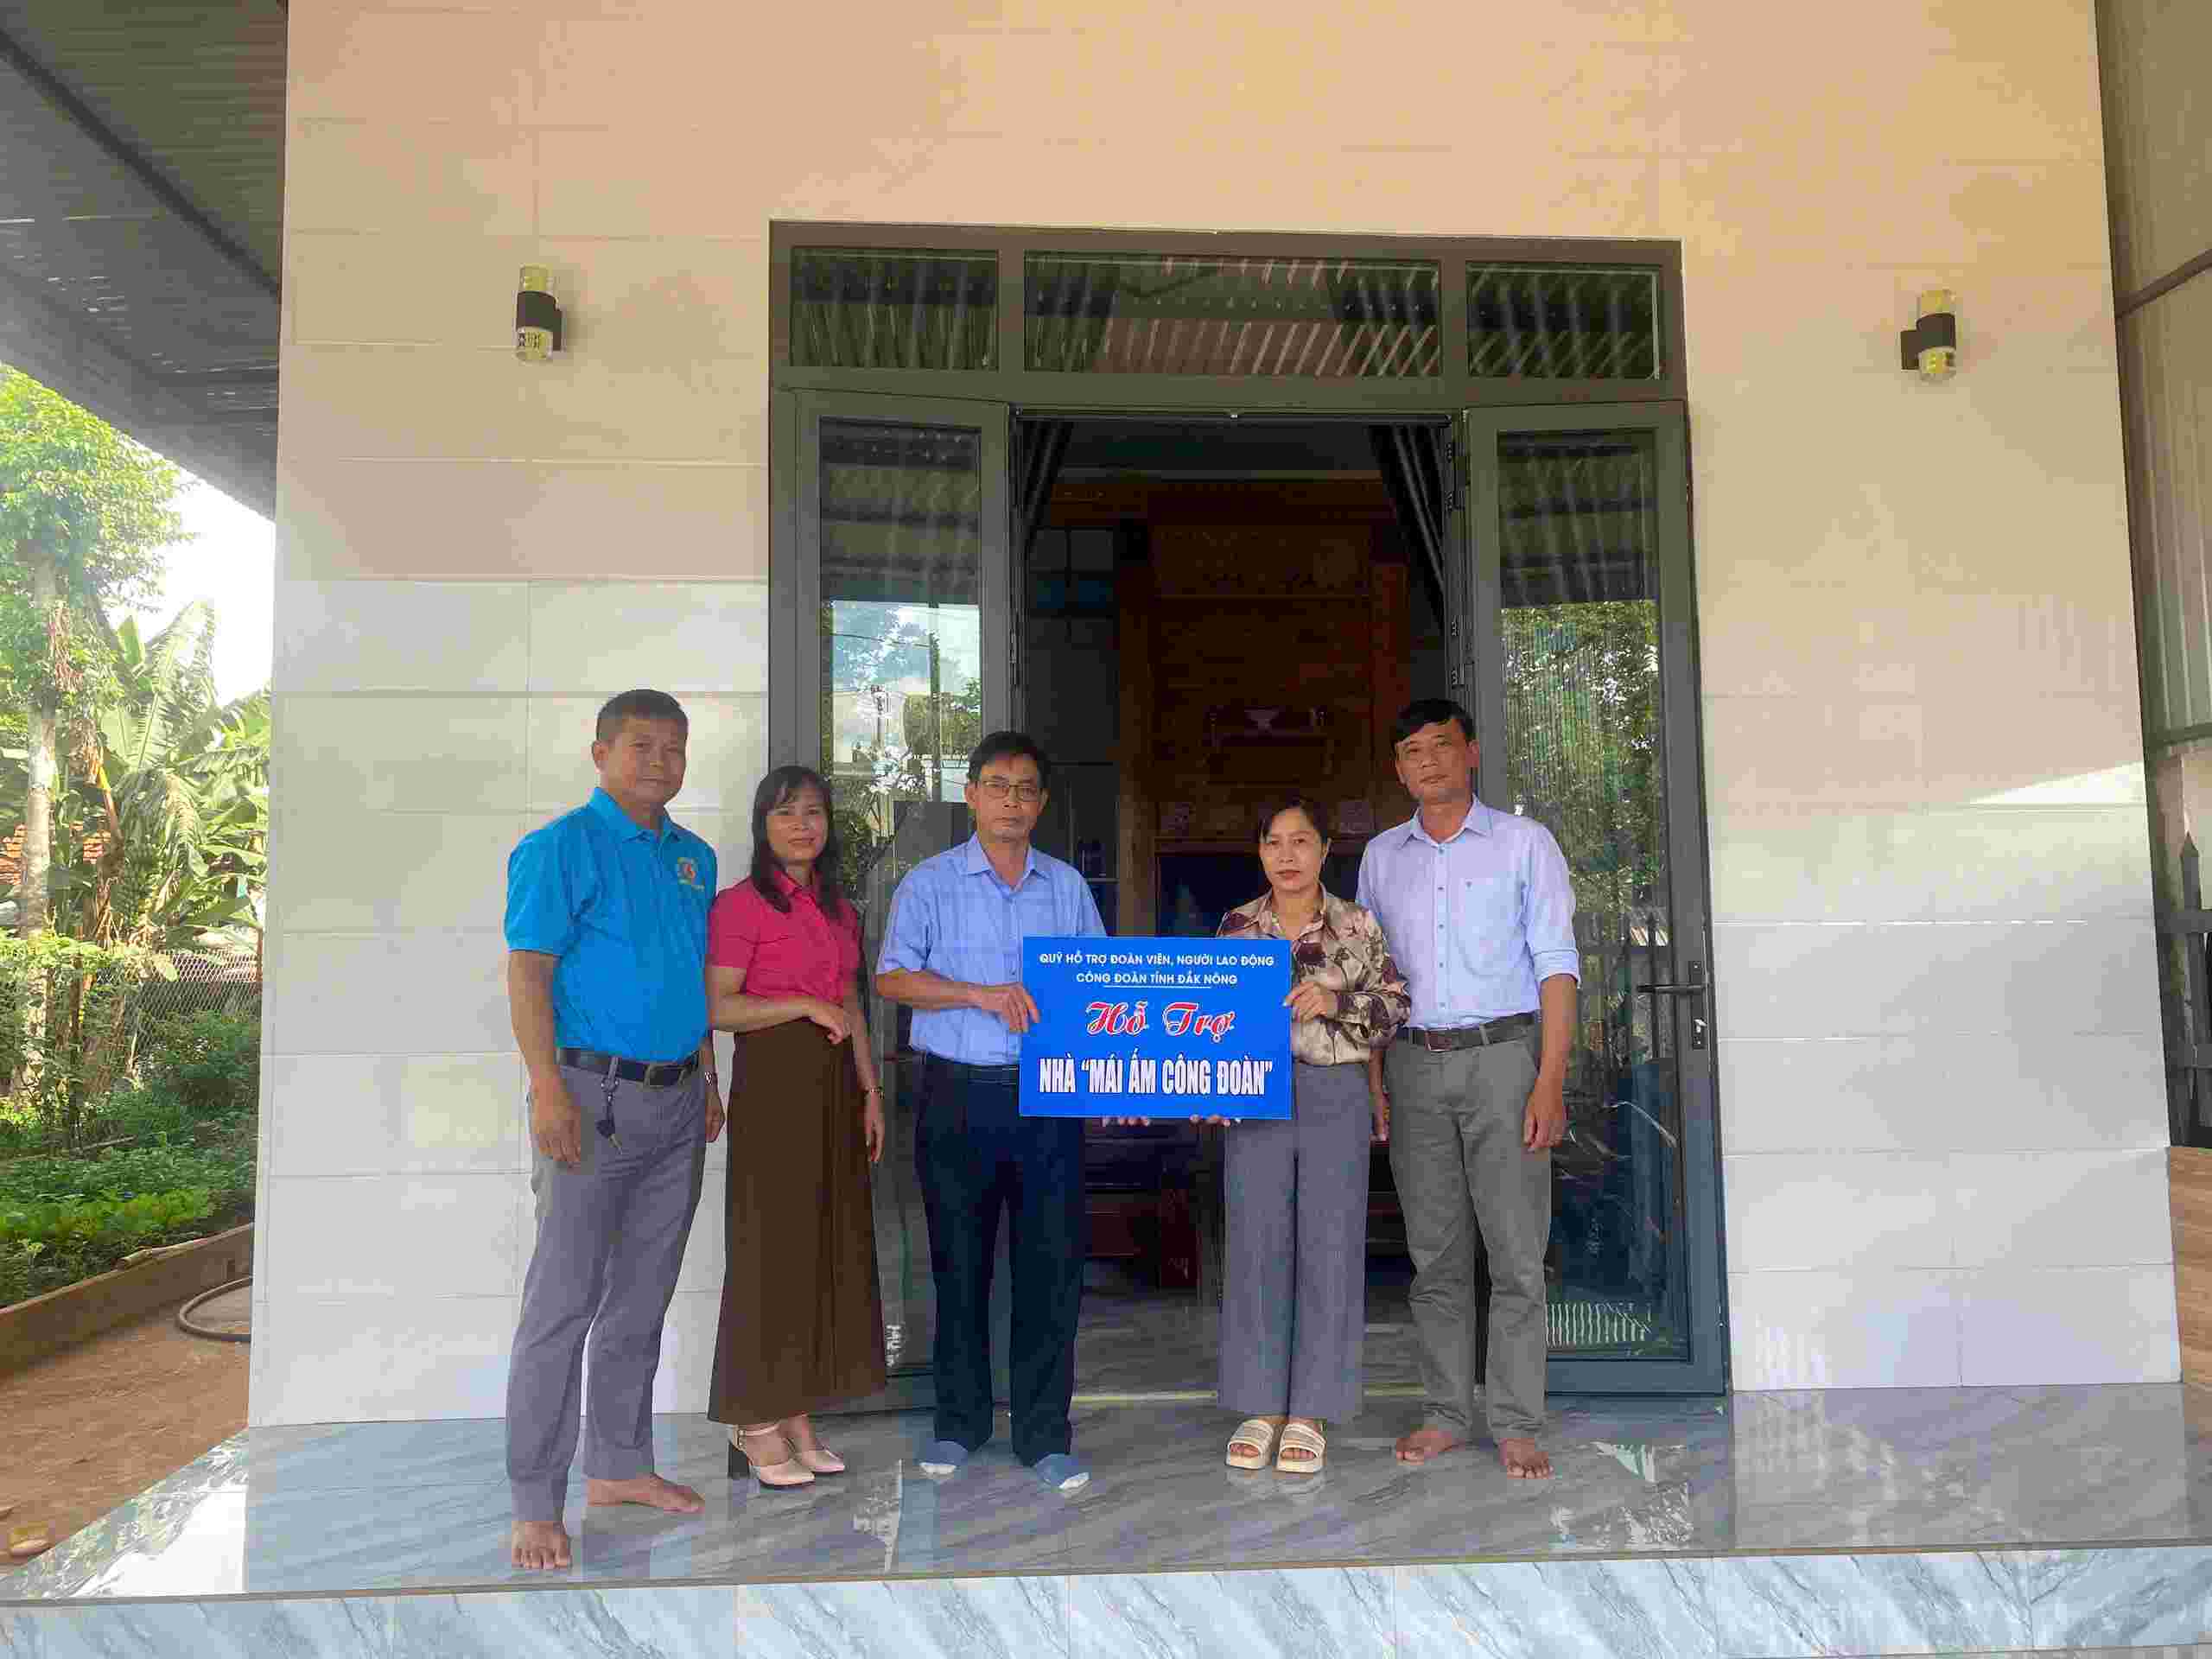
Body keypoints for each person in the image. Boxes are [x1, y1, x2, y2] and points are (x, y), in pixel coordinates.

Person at [502, 690, 724, 1571]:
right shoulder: (558, 848)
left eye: (674, 747)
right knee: (562, 1306)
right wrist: (545, 1090)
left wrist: (709, 1077)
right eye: (641, 746)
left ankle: (620, 1466)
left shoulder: (693, 859)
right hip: (589, 1100)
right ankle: (534, 1500)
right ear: (600, 753)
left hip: (677, 1103)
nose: (659, 762)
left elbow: (691, 980)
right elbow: (527, 977)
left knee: (640, 1298)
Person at [874, 732, 1106, 1492]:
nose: (1012, 800)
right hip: (957, 1094)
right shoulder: (931, 884)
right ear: (970, 794)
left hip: (1048, 1102)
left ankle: (1045, 1434)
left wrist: (1115, 1084)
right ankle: (959, 1424)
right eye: (997, 785)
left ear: (1041, 802)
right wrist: (978, 994)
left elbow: (1100, 987)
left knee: (1050, 1270)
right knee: (959, 1265)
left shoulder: (1067, 888)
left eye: (1026, 788)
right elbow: (893, 979)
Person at [1357, 697, 1579, 1481]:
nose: (1430, 762)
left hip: (1504, 1061)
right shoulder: (1382, 857)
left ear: (1471, 753)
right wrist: (1377, 1082)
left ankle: (1516, 1421)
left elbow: (1557, 968)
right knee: (1436, 1256)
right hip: (1414, 1064)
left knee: (1516, 1254)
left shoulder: (1524, 844)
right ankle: (1448, 1412)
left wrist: (1550, 1080)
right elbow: (1372, 982)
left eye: (1443, 747)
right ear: (1399, 767)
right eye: (1413, 751)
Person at [1212, 797, 1408, 1475]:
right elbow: (1208, 1018)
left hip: (1334, 1093)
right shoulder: (1235, 925)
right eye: (1274, 842)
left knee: (1329, 1245)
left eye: (1302, 841)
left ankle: (1311, 1410)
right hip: (1255, 1099)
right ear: (1260, 852)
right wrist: (1210, 1088)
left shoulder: (1356, 924)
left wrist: (1338, 1001)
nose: (1288, 855)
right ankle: (1260, 1404)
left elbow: (1394, 1008)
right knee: (1257, 1245)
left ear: (1326, 849)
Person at [704, 766, 887, 1487]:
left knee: (821, 1250)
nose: (804, 826)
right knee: (768, 1251)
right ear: (763, 825)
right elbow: (719, 1007)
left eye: (814, 813)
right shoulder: (740, 905)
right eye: (787, 814)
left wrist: (870, 1093)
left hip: (835, 1089)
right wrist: (801, 1008)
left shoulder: (839, 910)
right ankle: (754, 1420)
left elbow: (851, 1005)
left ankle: (798, 1410)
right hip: (774, 1088)